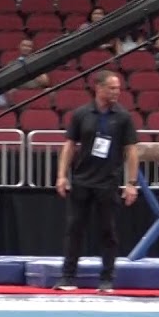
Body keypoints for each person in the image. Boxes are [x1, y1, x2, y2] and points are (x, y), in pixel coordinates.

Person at [55, 71, 139, 292]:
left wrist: (131, 183)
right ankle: (67, 277)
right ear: (99, 88)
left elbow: (131, 150)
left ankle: (107, 278)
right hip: (82, 180)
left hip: (108, 182)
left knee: (108, 232)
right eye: (112, 88)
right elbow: (69, 145)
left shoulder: (123, 117)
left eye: (118, 88)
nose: (117, 92)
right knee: (74, 229)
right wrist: (62, 175)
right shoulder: (82, 114)